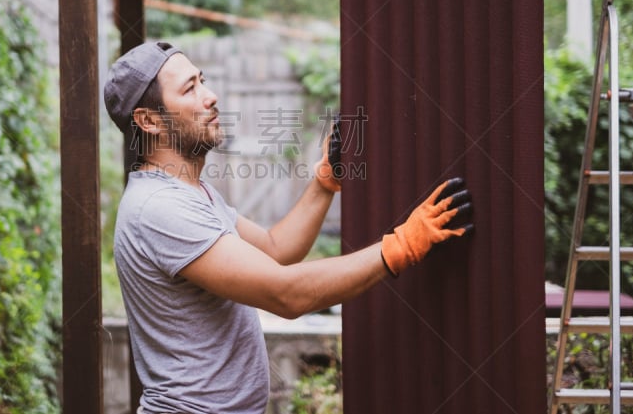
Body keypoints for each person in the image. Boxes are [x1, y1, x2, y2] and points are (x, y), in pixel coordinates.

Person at [103, 41, 473, 414]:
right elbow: (286, 295)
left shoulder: (194, 194)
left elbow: (275, 248)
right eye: (190, 88)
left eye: (203, 80)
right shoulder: (160, 209)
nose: (210, 96)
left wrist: (325, 181)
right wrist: (402, 245)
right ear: (149, 121)